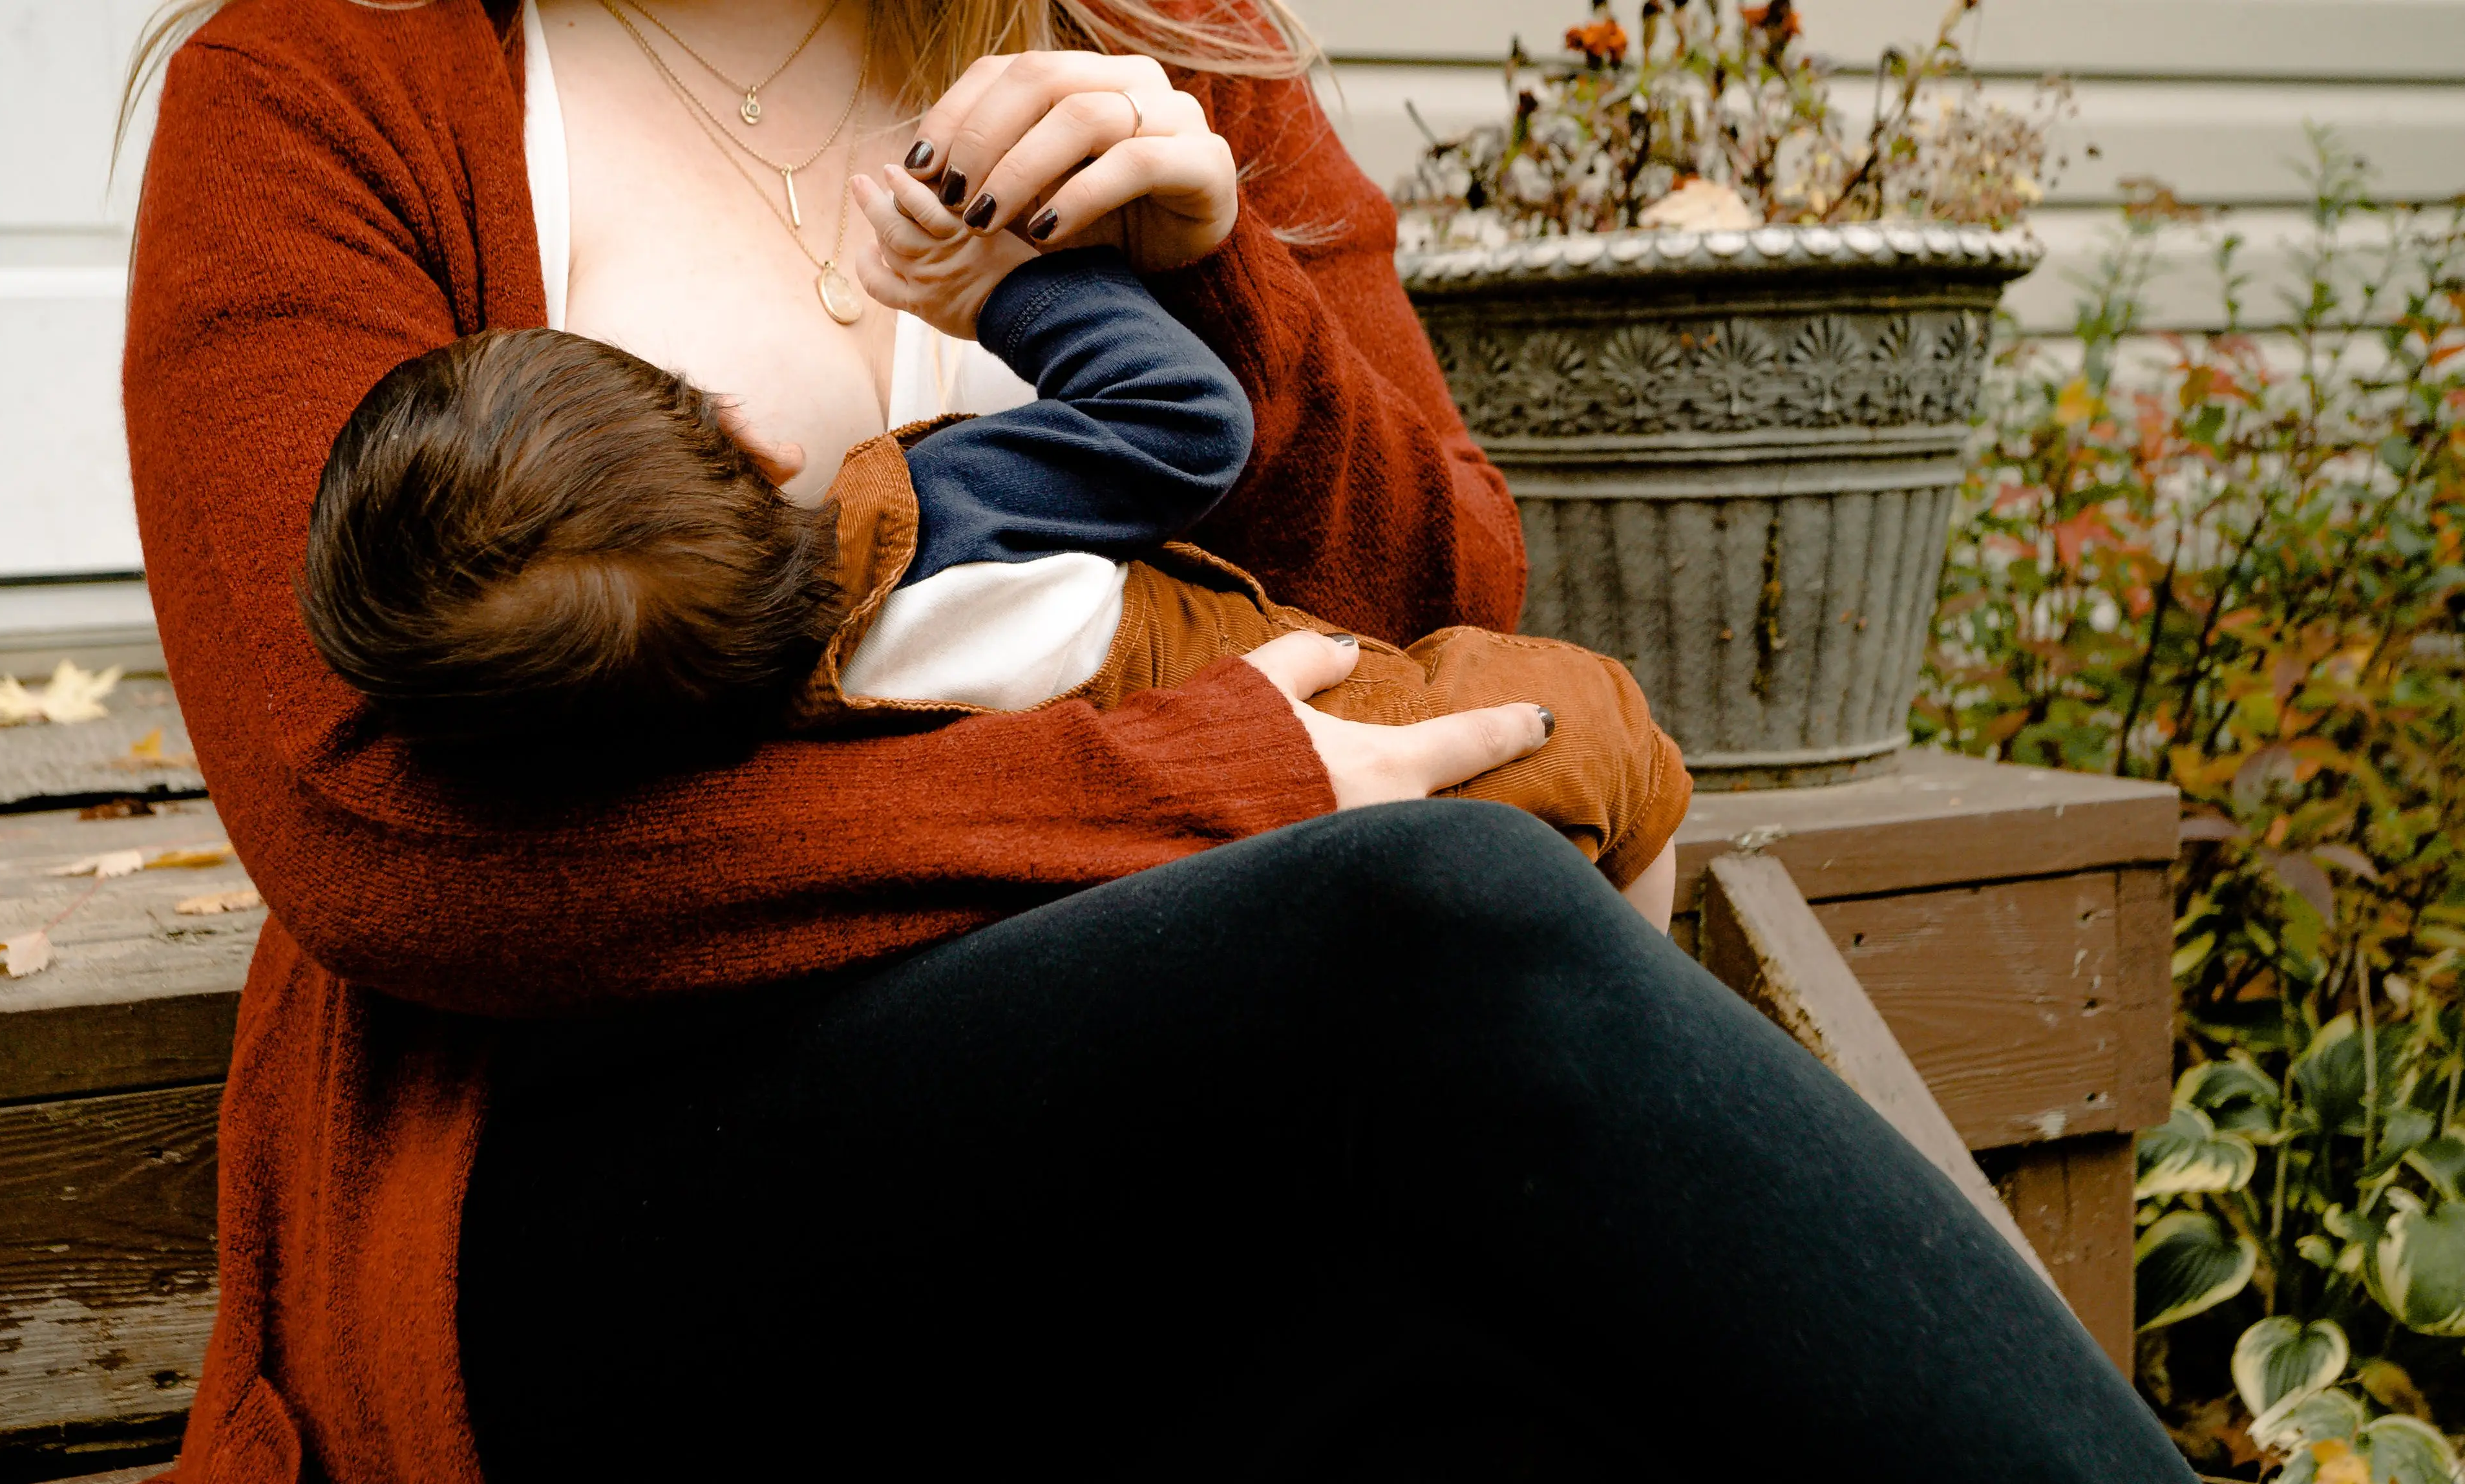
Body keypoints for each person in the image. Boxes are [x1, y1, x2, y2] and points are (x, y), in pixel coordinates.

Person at [120, 0, 2197, 1479]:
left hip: (1182, 1108)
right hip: (625, 1163)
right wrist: (1207, 784)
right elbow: (384, 835)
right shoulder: (329, 85)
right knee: (1430, 927)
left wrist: (1212, 288)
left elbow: (1449, 598)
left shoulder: (1157, 42)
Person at [299, 217, 1686, 903]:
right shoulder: (929, 516)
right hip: (1383, 734)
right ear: (751, 439)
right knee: (1613, 739)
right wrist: (1007, 284)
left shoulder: (721, 752)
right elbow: (1183, 423)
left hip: (1226, 895)